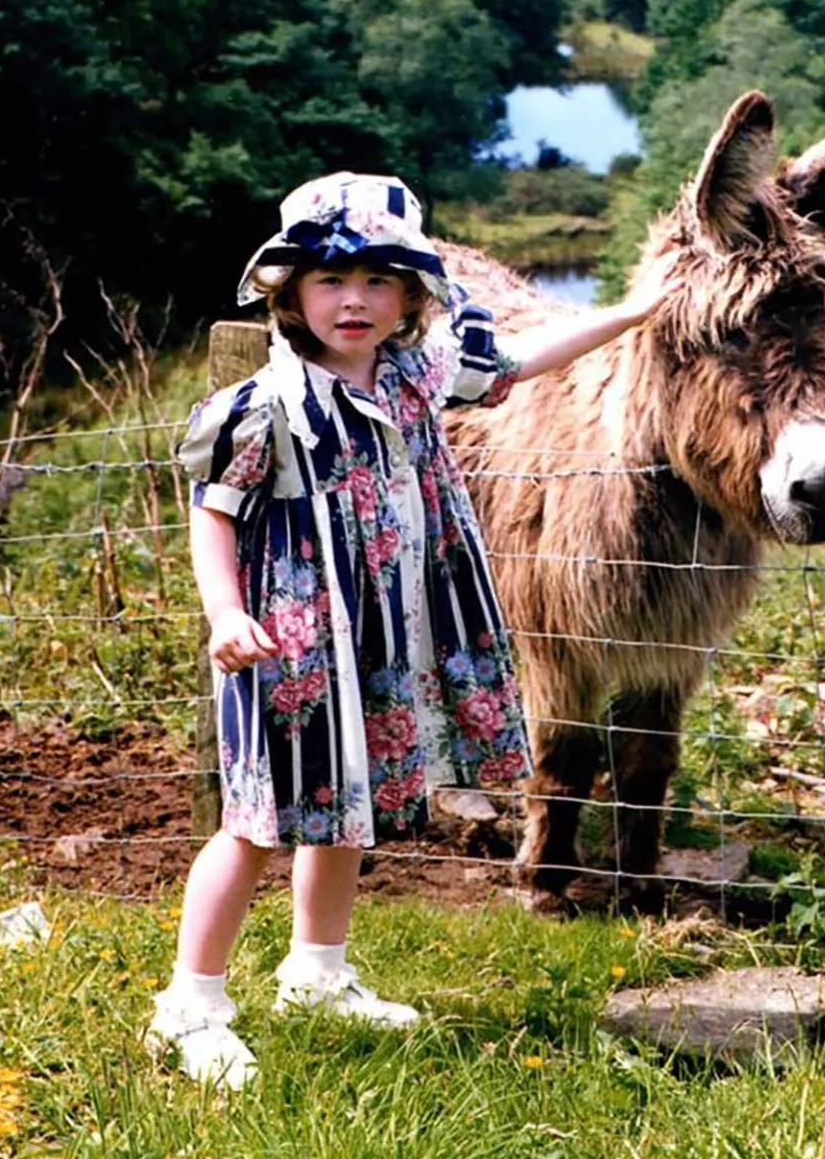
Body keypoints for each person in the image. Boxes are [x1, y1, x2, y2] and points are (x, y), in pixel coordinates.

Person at [147, 171, 678, 1088]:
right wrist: (226, 612)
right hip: (291, 644)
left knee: (347, 813)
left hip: (380, 642)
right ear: (288, 293)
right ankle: (190, 1001)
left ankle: (317, 971)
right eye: (327, 280)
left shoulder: (417, 378)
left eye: (379, 281)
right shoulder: (265, 406)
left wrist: (633, 314)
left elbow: (531, 360)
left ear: (409, 298)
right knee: (254, 822)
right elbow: (215, 513)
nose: (353, 301)